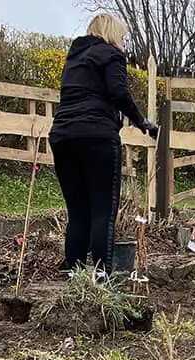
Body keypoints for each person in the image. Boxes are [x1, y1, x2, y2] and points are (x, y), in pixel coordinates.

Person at [49, 13, 157, 281]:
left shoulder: (74, 59)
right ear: (113, 34)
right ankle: (101, 279)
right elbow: (119, 93)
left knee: (78, 213)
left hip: (63, 137)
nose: (123, 42)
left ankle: (74, 280)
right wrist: (141, 121)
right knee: (102, 211)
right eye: (123, 37)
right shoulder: (111, 54)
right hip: (97, 136)